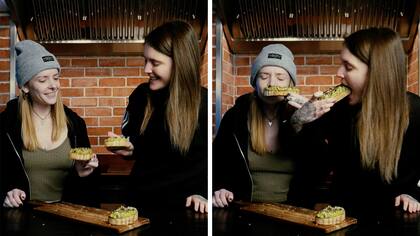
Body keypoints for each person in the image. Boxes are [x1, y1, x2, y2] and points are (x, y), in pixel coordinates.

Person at [291, 27, 420, 218]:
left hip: (395, 218)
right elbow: (309, 163)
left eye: (348, 67)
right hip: (344, 217)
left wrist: (414, 193)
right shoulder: (338, 110)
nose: (339, 73)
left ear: (377, 73)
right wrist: (300, 121)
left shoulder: (415, 111)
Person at [107, 20, 208, 213]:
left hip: (185, 209)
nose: (146, 69)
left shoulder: (202, 104)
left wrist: (203, 192)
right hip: (139, 204)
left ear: (180, 63)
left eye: (155, 63)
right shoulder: (140, 96)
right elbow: (135, 142)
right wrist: (130, 147)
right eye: (146, 60)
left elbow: (209, 161)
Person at [213, 44, 328, 208]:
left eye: (280, 78)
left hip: (293, 211)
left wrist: (305, 125)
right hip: (244, 207)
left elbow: (319, 169)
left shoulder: (303, 113)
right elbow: (218, 161)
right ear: (254, 81)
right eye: (264, 76)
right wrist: (220, 188)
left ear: (290, 83)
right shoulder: (236, 115)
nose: (271, 83)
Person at [1, 40, 99, 208]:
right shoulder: (5, 124)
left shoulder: (75, 123)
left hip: (67, 216)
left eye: (56, 77)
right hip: (21, 218)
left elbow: (89, 189)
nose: (53, 85)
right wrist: (6, 193)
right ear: (25, 86)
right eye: (43, 80)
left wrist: (83, 173)